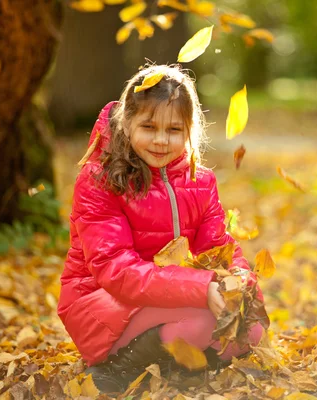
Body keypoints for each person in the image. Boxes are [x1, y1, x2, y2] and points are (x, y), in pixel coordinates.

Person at [57, 65, 266, 394]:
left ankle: (172, 365)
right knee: (199, 323)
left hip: (171, 296)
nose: (160, 140)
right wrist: (201, 288)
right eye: (148, 126)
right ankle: (118, 366)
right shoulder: (100, 180)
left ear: (189, 131)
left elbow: (220, 249)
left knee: (249, 330)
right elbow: (116, 271)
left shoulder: (201, 182)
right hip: (103, 304)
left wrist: (240, 284)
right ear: (127, 123)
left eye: (173, 129)